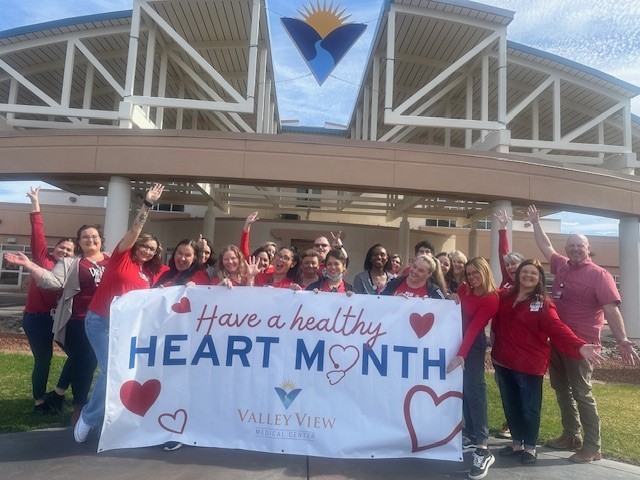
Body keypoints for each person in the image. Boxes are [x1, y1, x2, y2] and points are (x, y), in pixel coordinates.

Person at [527, 204, 639, 463]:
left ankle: (593, 447)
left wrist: (622, 339)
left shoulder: (600, 275)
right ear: (567, 250)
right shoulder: (563, 266)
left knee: (582, 393)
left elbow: (611, 310)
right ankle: (571, 435)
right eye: (572, 246)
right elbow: (546, 248)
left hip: (583, 345)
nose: (576, 250)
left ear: (588, 249)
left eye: (581, 246)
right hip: (557, 341)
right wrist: (535, 223)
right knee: (561, 389)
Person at [72, 183, 165, 443]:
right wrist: (147, 204)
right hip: (100, 322)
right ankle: (89, 417)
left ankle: (108, 413)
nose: (147, 251)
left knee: (121, 371)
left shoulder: (146, 274)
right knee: (109, 370)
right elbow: (135, 230)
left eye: (152, 249)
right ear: (135, 246)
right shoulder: (120, 258)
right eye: (144, 246)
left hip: (126, 329)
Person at [492, 259, 603, 465]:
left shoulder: (543, 303)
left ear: (540, 278)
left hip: (529, 365)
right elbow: (483, 297)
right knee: (511, 405)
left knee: (529, 407)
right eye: (524, 272)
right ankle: (517, 443)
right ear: (518, 275)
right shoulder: (505, 297)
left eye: (533, 273)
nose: (528, 276)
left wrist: (579, 345)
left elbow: (557, 327)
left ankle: (530, 448)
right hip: (503, 361)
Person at [7, 222, 110, 426]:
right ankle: (79, 408)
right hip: (78, 321)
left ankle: (71, 399)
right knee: (84, 361)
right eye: (85, 237)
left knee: (95, 363)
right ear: (79, 242)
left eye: (94, 236)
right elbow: (52, 281)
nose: (91, 240)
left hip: (107, 320)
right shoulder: (71, 263)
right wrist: (29, 265)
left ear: (101, 239)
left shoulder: (111, 259)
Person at [20, 187, 76, 414]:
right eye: (62, 247)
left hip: (60, 319)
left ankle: (58, 394)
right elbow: (38, 233)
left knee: (78, 355)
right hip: (36, 319)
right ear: (55, 249)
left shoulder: (73, 269)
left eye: (70, 249)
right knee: (43, 361)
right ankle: (39, 402)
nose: (65, 251)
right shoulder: (41, 259)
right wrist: (36, 204)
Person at [153, 238, 208, 451]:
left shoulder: (199, 277)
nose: (182, 258)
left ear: (195, 259)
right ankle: (161, 425)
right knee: (164, 383)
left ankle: (177, 432)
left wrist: (195, 290)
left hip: (186, 341)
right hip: (163, 339)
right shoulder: (167, 274)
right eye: (179, 253)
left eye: (187, 255)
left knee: (180, 385)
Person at [446, 257, 499, 480]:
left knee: (475, 391)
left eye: (475, 273)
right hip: (457, 341)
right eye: (468, 273)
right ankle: (469, 434)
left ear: (485, 272)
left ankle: (483, 447)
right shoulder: (463, 288)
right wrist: (452, 299)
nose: (471, 277)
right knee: (465, 391)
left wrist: (461, 355)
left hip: (473, 345)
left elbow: (474, 328)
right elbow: (456, 312)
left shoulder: (490, 298)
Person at [381, 254, 445, 299]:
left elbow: (445, 309)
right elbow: (378, 300)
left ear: (429, 274)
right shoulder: (394, 282)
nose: (415, 271)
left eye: (421, 271)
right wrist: (393, 300)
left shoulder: (434, 290)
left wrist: (430, 305)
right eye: (414, 267)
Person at [494, 210, 525, 289]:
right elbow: (503, 251)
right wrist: (503, 226)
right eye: (507, 265)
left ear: (522, 265)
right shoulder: (507, 277)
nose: (510, 267)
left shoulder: (527, 284)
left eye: (513, 263)